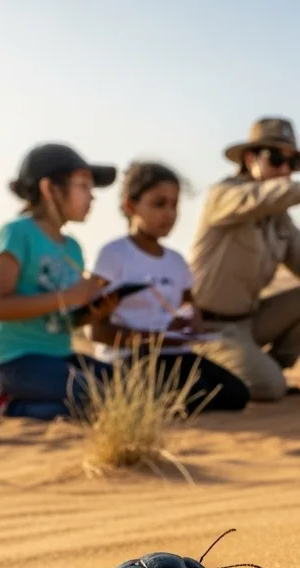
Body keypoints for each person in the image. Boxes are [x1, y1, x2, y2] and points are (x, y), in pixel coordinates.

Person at [189, 117, 300, 402]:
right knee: (270, 387)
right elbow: (263, 196)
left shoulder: (279, 218)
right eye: (276, 159)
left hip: (249, 322)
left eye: (292, 163)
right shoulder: (224, 196)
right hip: (210, 328)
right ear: (250, 159)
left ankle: (263, 367)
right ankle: (226, 373)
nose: (285, 170)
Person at [87, 161, 250, 412]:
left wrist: (190, 324)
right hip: (130, 358)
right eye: (159, 204)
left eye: (174, 205)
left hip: (175, 356)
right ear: (130, 205)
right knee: (174, 392)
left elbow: (190, 308)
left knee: (235, 393)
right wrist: (152, 340)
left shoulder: (176, 261)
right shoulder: (113, 255)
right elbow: (97, 331)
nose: (169, 214)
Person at [0, 144, 121, 420]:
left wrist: (93, 310)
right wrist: (69, 296)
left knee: (129, 388)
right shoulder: (16, 233)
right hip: (16, 360)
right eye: (83, 186)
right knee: (95, 398)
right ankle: (7, 404)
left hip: (58, 355)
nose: (92, 196)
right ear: (49, 189)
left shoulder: (73, 248)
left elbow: (65, 316)